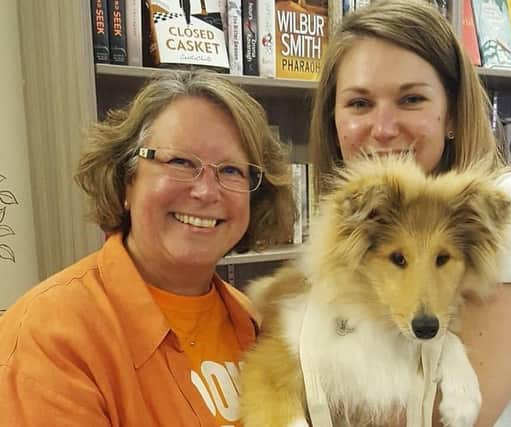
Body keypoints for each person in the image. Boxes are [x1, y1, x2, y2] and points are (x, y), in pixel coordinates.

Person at [308, 1, 511, 426]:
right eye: (359, 103)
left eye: (411, 99)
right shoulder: (353, 235)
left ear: (453, 113)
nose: (383, 128)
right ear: (334, 119)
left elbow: (438, 417)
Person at [0, 70, 294, 426]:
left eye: (231, 170)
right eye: (180, 162)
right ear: (127, 179)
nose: (205, 191)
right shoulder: (50, 337)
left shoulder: (256, 322)